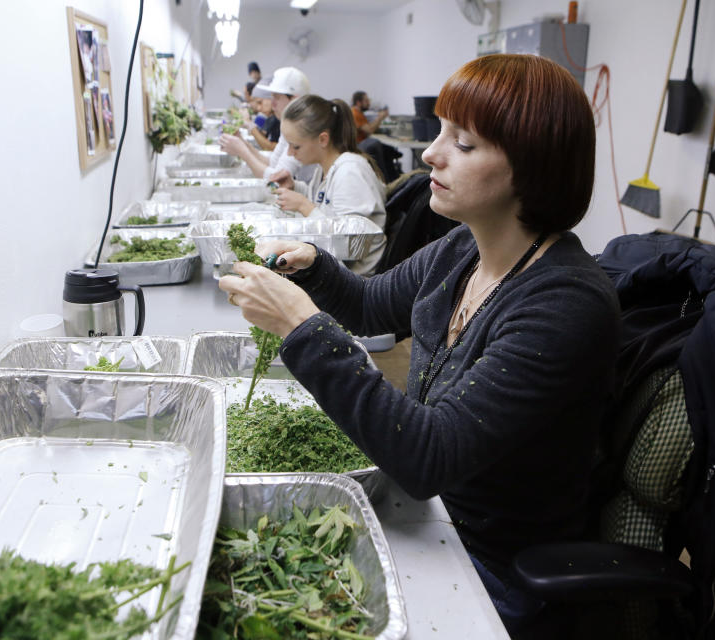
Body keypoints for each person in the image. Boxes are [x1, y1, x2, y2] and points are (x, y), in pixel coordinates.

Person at [218, 54, 621, 635]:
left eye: (464, 143)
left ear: (532, 168)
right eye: (439, 132)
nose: (431, 154)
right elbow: (369, 304)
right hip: (428, 513)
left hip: (488, 563)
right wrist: (314, 269)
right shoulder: (464, 248)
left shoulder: (565, 305)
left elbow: (428, 457)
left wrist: (301, 328)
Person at [270, 94, 386, 275]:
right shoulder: (324, 169)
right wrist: (296, 189)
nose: (290, 153)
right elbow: (324, 205)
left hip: (355, 283)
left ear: (323, 139)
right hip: (334, 271)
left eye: (296, 146)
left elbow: (348, 243)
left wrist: (303, 205)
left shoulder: (350, 172)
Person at [218, 66, 317, 182]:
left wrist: (243, 152)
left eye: (277, 98)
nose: (273, 104)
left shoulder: (303, 129)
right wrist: (243, 144)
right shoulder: (288, 125)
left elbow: (278, 179)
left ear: (294, 100)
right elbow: (272, 163)